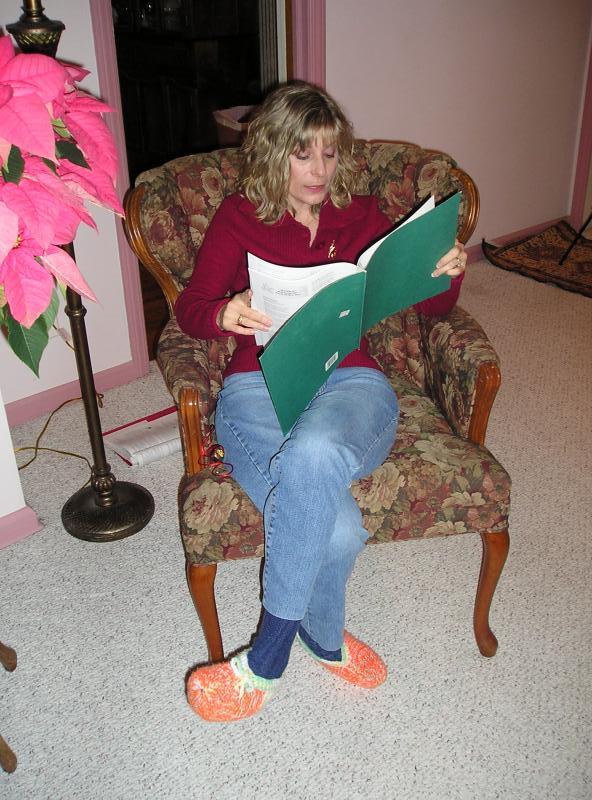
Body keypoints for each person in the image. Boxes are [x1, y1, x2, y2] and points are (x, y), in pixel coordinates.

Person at [175, 81, 467, 723]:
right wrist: (224, 312)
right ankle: (320, 635)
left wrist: (445, 271)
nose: (318, 170)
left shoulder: (360, 215)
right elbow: (191, 308)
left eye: (329, 154)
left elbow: (430, 305)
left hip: (350, 382)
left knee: (312, 453)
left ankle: (266, 658)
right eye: (302, 153)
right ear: (272, 153)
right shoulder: (239, 218)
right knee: (336, 527)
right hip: (258, 384)